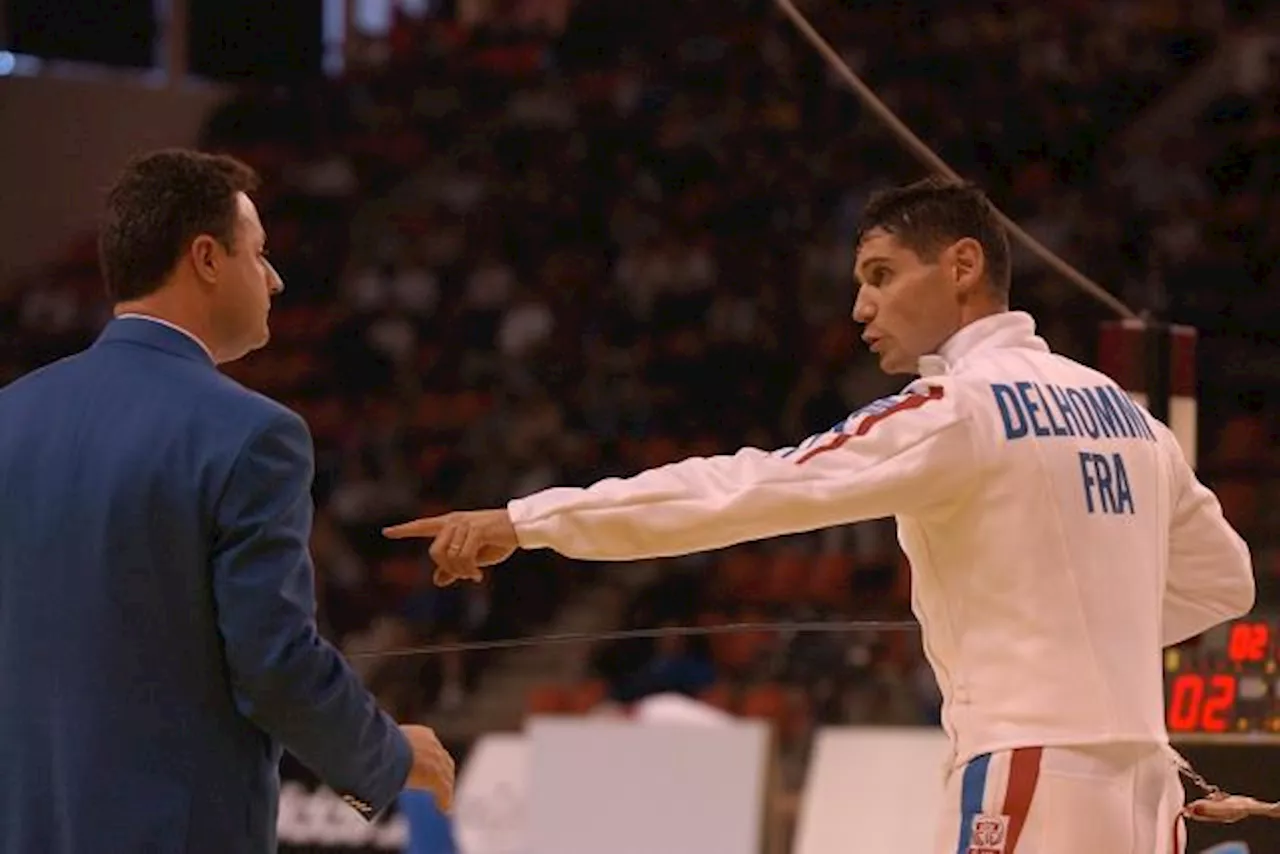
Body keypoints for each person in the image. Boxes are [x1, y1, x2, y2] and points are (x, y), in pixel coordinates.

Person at [383, 176, 1256, 853]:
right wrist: (1081, 634)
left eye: (881, 275)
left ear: (961, 266)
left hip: (1029, 764)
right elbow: (1227, 581)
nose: (860, 307)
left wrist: (530, 520)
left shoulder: (956, 408)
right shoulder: (1120, 409)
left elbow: (747, 488)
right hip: (1149, 784)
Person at [0, 149, 454, 854]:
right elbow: (273, 664)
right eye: (260, 254)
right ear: (207, 259)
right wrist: (389, 754)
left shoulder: (11, 414)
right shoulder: (253, 434)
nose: (273, 279)